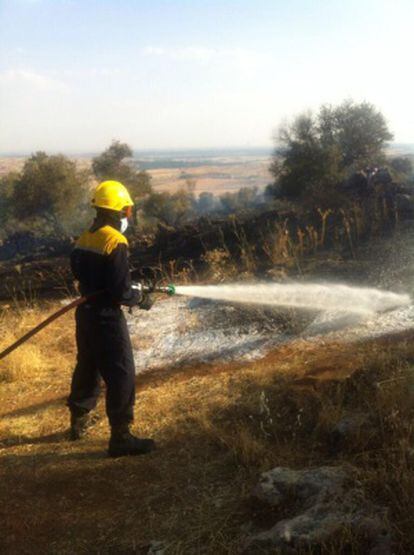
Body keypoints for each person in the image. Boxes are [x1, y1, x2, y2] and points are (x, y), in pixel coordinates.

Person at [67, 180, 155, 457]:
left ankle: (78, 421)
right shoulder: (115, 241)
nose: (128, 215)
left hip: (86, 315)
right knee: (122, 373)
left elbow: (86, 277)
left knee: (88, 365)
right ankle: (121, 437)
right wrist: (140, 299)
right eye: (127, 210)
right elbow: (120, 291)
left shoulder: (84, 238)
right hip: (106, 318)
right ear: (118, 211)